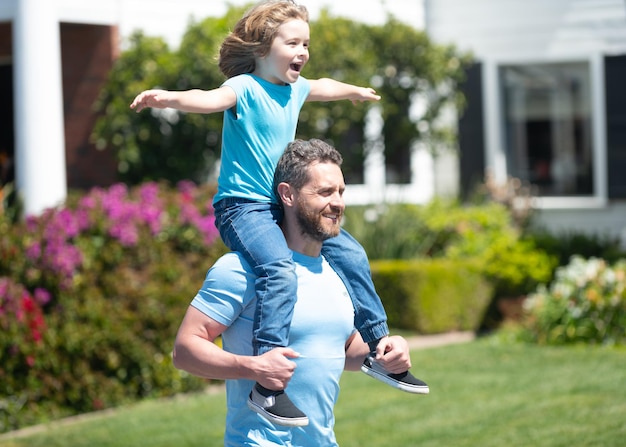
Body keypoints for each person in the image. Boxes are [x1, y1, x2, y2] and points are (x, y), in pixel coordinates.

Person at [131, 0, 428, 426]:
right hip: (243, 207)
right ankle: (268, 385)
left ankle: (380, 350)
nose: (302, 51)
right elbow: (208, 98)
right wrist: (168, 99)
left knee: (353, 255)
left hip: (276, 205)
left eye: (306, 43)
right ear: (261, 48)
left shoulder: (296, 89)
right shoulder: (246, 87)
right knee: (277, 267)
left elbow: (323, 84)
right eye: (292, 43)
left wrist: (354, 91)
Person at [173, 139, 428, 446]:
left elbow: (340, 351)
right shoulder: (241, 270)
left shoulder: (338, 272)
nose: (338, 203)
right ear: (288, 194)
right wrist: (253, 367)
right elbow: (184, 350)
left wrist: (388, 351)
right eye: (324, 192)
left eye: (340, 192)